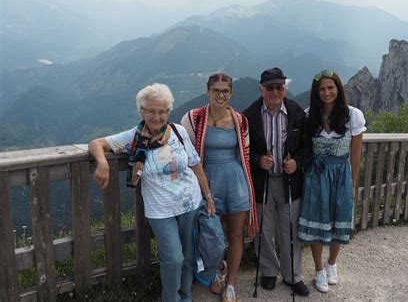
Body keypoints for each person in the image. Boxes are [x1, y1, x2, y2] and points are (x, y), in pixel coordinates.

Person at [88, 83, 215, 302]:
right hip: (160, 210)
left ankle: (185, 296)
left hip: (190, 204)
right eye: (151, 111)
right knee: (173, 258)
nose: (157, 117)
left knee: (187, 256)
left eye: (162, 111)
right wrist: (102, 163)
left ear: (168, 111)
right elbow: (97, 143)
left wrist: (208, 197)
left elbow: (195, 165)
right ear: (142, 111)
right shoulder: (134, 138)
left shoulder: (179, 131)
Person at [181, 73, 258, 302]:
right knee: (211, 235)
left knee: (235, 235)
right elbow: (185, 151)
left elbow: (244, 152)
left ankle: (231, 283)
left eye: (225, 91)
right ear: (208, 91)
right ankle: (215, 272)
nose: (221, 95)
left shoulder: (240, 120)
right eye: (216, 90)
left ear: (231, 93)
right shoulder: (193, 118)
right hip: (207, 182)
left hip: (235, 181)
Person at [243, 67, 311, 297]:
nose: (275, 91)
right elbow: (244, 150)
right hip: (262, 182)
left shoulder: (296, 113)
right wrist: (257, 160)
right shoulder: (249, 115)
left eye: (279, 87)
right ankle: (269, 272)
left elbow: (306, 148)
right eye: (270, 87)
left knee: (290, 230)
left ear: (285, 88)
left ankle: (293, 276)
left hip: (289, 182)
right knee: (264, 230)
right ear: (261, 89)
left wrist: (297, 164)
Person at [297, 70, 366, 293]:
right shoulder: (310, 115)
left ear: (338, 89)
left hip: (341, 174)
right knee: (316, 219)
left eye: (331, 88)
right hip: (316, 175)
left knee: (339, 217)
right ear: (316, 93)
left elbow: (356, 154)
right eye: (322, 89)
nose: (327, 93)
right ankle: (318, 269)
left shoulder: (352, 115)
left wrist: (353, 184)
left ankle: (332, 264)